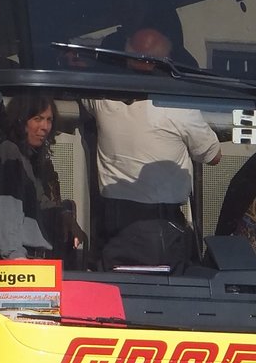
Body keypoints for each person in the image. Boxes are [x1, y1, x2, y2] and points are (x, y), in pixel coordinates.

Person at [84, 27, 222, 272]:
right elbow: (213, 156)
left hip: (110, 221)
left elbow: (83, 90)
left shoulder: (103, 96)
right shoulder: (179, 107)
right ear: (164, 62)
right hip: (160, 228)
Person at [0, 91, 85, 263]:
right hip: (21, 261)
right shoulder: (9, 153)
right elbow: (6, 208)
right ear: (20, 120)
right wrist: (15, 257)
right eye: (38, 119)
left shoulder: (33, 160)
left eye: (49, 120)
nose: (45, 127)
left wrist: (65, 214)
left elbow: (41, 201)